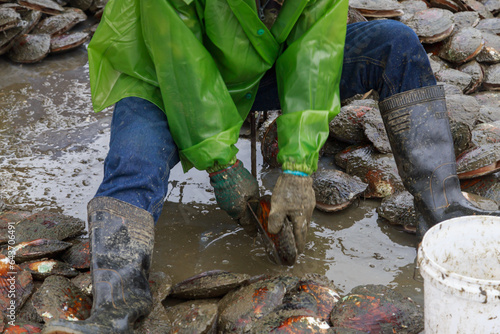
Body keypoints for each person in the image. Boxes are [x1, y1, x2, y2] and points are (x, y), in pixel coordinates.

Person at [42, 0, 500, 331]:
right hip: (158, 71)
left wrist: (299, 169)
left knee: (394, 43)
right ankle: (117, 304)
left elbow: (313, 59)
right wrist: (221, 165)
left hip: (260, 65)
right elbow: (183, 68)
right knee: (135, 160)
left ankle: (444, 213)